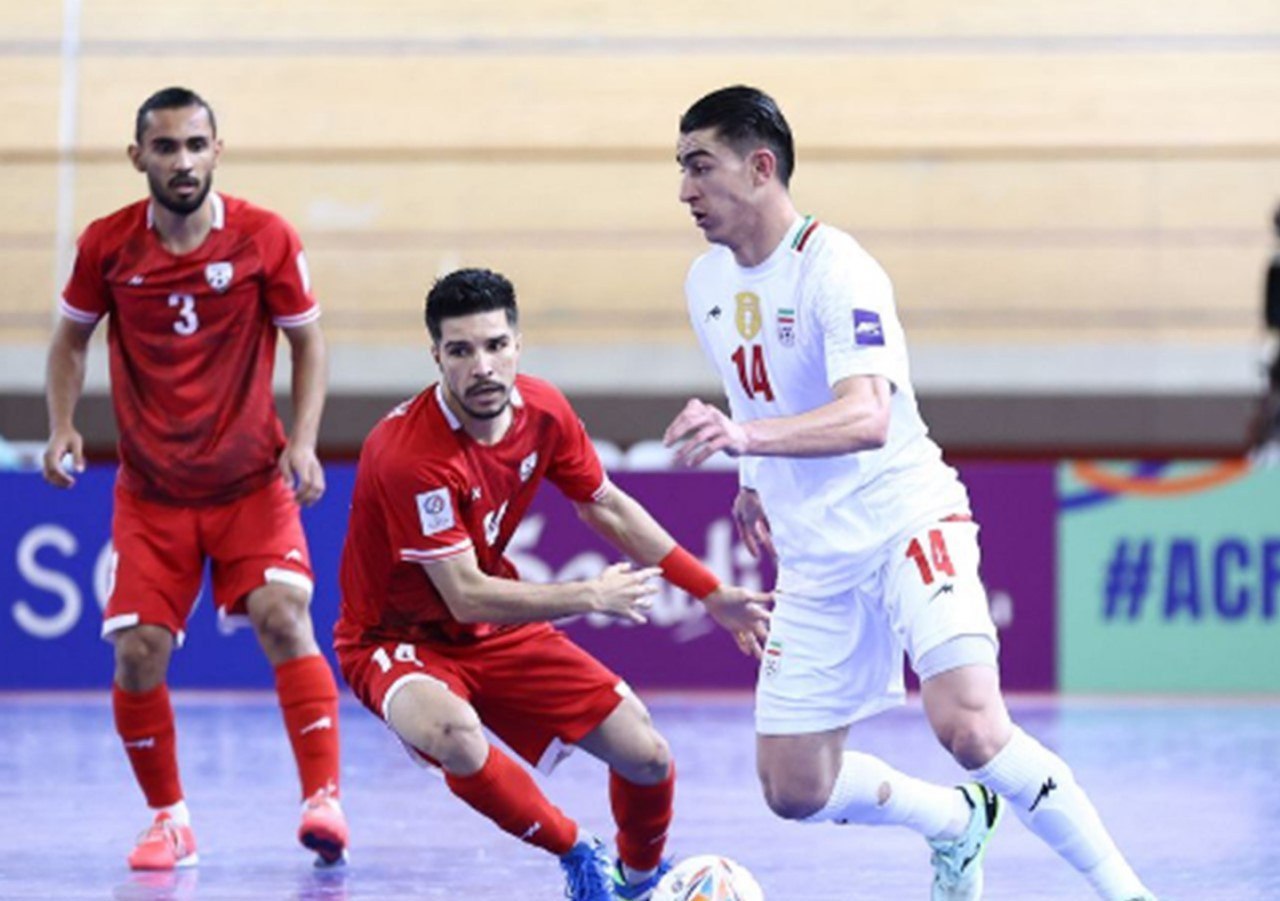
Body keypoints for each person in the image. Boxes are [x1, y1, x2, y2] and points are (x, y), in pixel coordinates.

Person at [663, 85, 1156, 901]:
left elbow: (867, 414)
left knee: (971, 726)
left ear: (760, 168)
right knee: (793, 786)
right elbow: (755, 392)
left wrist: (745, 441)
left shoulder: (838, 269)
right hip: (815, 554)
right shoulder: (705, 281)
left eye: (700, 166)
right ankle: (954, 821)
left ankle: (1127, 891)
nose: (685, 189)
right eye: (681, 168)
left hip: (905, 521)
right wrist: (752, 480)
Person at [335, 267, 770, 901]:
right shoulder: (407, 454)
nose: (482, 367)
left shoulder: (543, 411)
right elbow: (464, 593)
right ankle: (577, 851)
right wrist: (590, 595)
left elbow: (606, 506)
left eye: (495, 345)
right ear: (436, 357)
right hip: (395, 639)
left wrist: (710, 591)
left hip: (493, 629)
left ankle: (638, 884)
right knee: (453, 735)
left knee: (646, 754)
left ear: (517, 344)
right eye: (461, 351)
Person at [42, 87, 347, 870]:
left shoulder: (264, 237)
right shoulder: (106, 245)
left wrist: (304, 441)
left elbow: (309, 341)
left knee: (284, 617)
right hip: (153, 495)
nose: (183, 161)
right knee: (137, 652)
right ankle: (169, 820)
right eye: (167, 146)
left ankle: (323, 799)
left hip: (251, 484)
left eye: (195, 145)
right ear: (138, 156)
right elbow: (70, 340)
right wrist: (62, 424)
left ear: (217, 151)